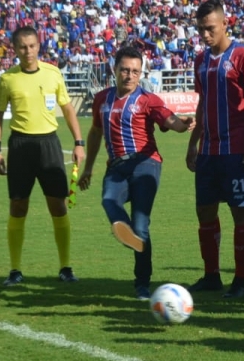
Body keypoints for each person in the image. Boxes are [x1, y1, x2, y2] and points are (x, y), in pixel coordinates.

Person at [78, 46, 195, 300]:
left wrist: (182, 124)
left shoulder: (147, 100)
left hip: (146, 163)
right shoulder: (102, 99)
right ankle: (125, 231)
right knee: (109, 201)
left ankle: (142, 283)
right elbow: (96, 132)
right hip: (117, 167)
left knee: (141, 224)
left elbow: (169, 120)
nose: (129, 75)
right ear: (114, 69)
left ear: (140, 73)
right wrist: (88, 168)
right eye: (125, 70)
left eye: (135, 71)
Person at [0, 27, 86, 286]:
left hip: (49, 145)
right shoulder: (7, 79)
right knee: (18, 206)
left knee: (58, 206)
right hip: (20, 146)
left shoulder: (53, 73)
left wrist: (79, 143)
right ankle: (15, 269)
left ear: (39, 45)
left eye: (32, 46)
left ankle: (65, 267)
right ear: (15, 49)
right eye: (23, 47)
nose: (28, 51)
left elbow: (67, 109)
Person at [185, 0, 244, 299]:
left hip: (236, 151)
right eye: (200, 30)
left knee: (240, 215)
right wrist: (193, 142)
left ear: (224, 24)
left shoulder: (243, 55)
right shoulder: (201, 60)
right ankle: (211, 276)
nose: (205, 35)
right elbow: (203, 103)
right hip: (209, 151)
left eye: (209, 29)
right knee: (205, 212)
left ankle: (241, 281)